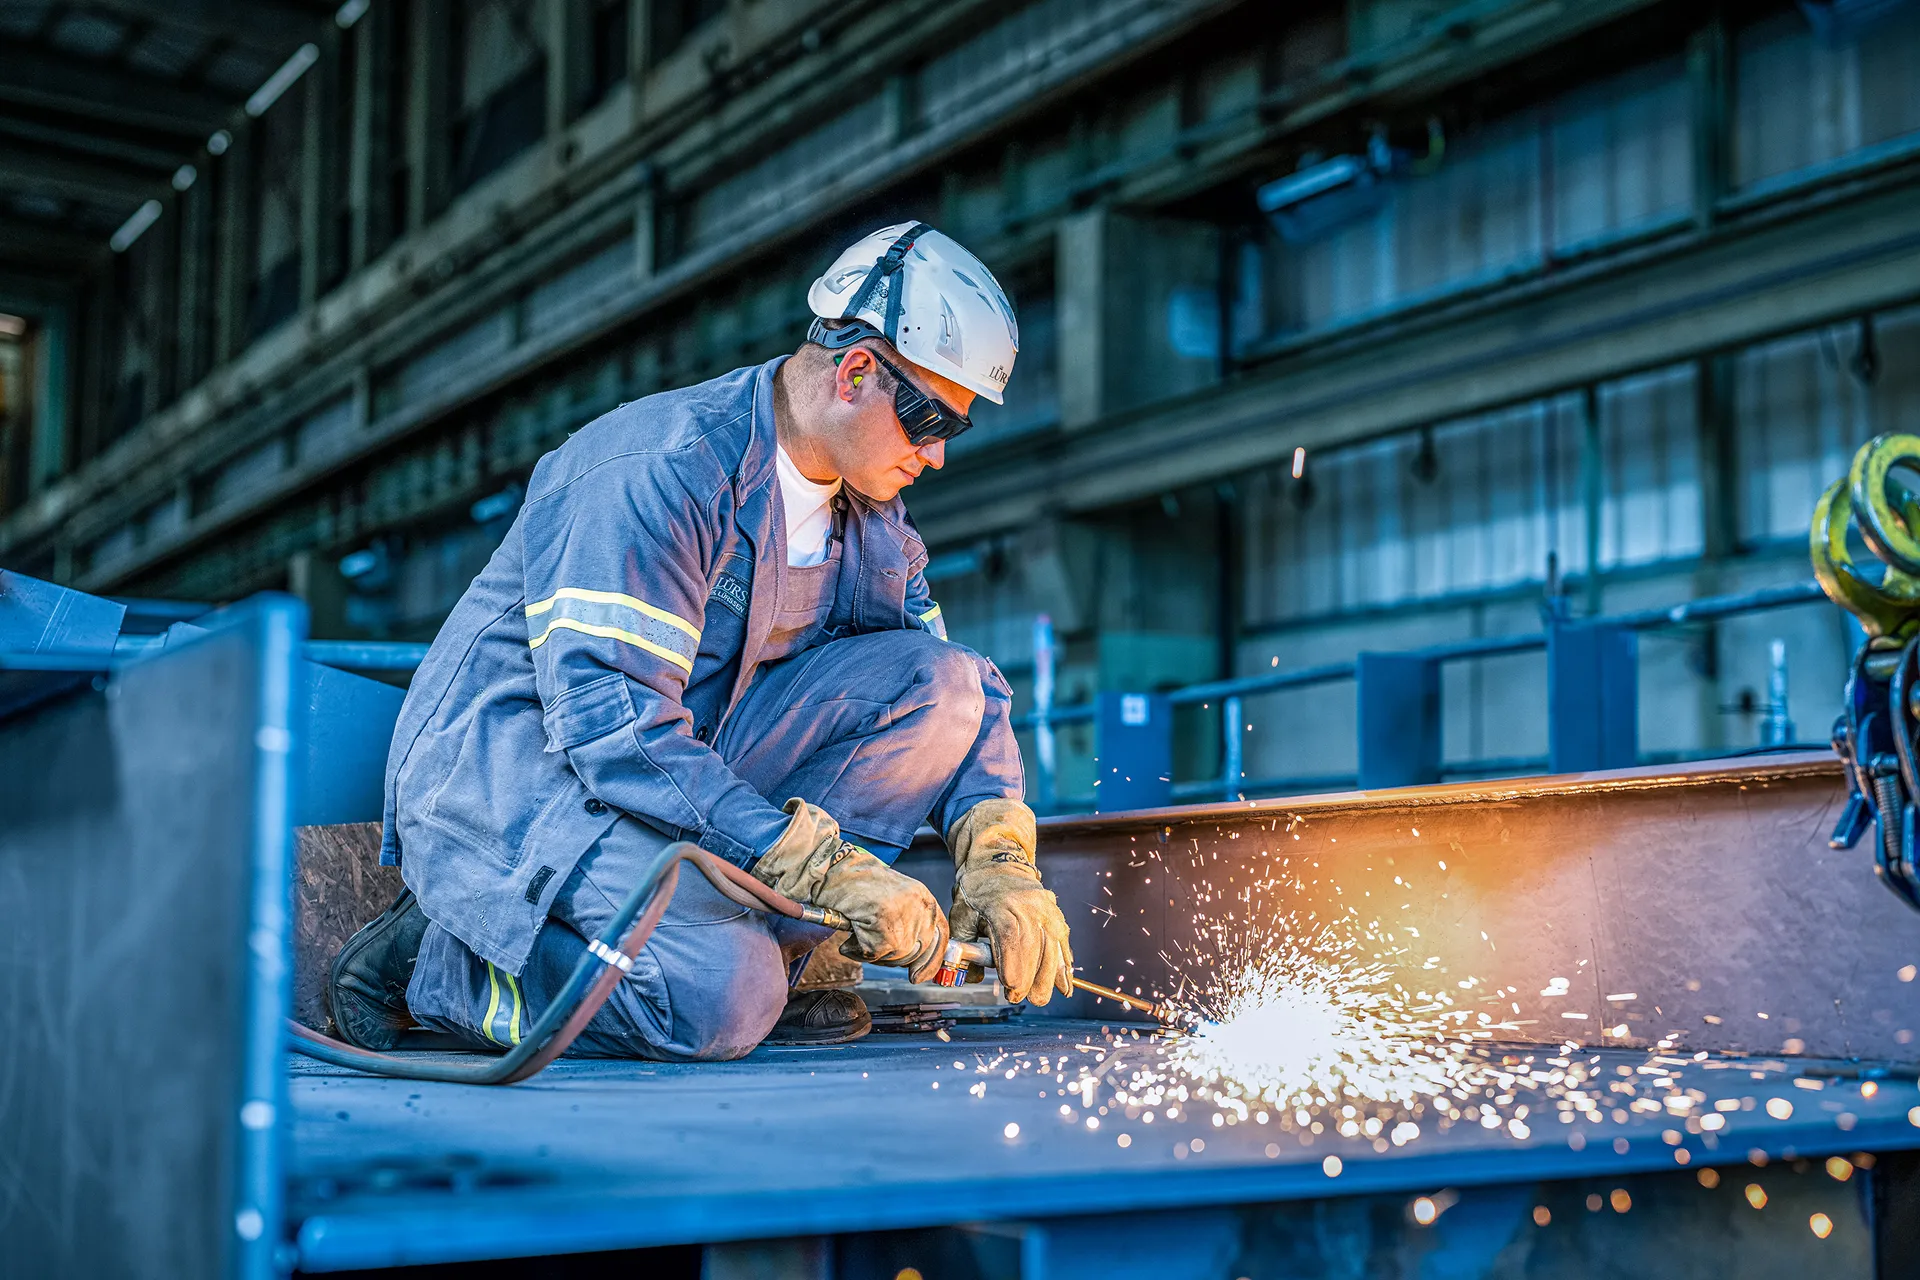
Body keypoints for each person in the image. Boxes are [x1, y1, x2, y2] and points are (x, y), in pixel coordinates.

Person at [328, 222, 1074, 1059]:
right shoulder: (660, 472)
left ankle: (778, 960)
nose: (935, 455)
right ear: (856, 372)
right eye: (928, 418)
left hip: (678, 774)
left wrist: (1002, 865)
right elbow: (614, 734)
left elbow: (962, 696)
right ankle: (441, 966)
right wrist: (818, 866)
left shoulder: (871, 524)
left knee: (945, 686)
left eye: (952, 431)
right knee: (718, 1001)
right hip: (532, 784)